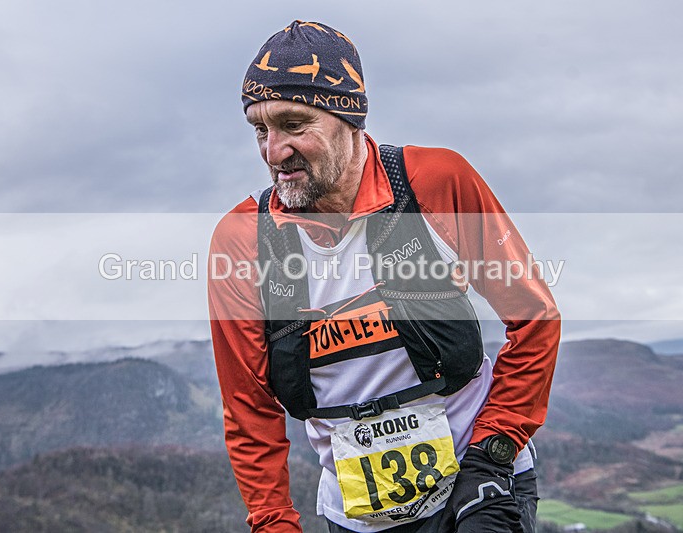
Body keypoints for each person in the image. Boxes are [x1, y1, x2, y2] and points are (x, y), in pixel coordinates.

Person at [208, 20, 560, 533]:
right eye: (261, 129)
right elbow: (248, 408)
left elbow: (535, 320)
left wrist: (493, 452)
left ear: (350, 118)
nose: (273, 151)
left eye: (294, 125)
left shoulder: (435, 183)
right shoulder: (242, 238)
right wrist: (274, 523)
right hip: (358, 516)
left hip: (476, 480)